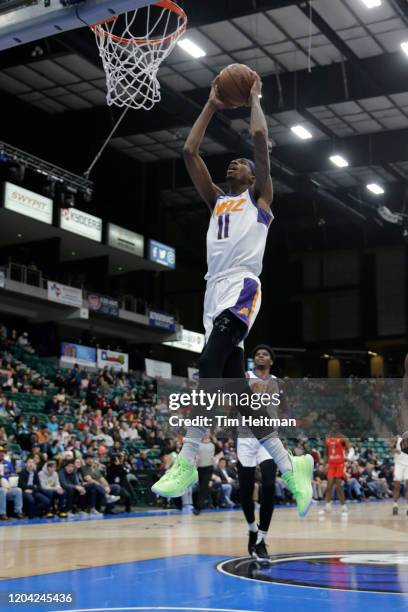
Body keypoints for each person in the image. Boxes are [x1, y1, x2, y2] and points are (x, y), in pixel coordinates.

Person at [151, 73, 313, 517]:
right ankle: (291, 463)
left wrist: (254, 97)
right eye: (233, 163)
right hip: (212, 292)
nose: (234, 165)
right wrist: (210, 105)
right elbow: (189, 152)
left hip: (242, 285)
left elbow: (259, 135)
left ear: (255, 175)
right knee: (240, 397)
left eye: (241, 163)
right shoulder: (218, 201)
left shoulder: (260, 200)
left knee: (206, 364)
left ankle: (185, 459)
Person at [237, 345, 278, 559]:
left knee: (269, 485)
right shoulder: (244, 377)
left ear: (271, 361)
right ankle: (252, 529)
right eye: (257, 354)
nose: (261, 356)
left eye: (265, 354)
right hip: (245, 438)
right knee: (245, 492)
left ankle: (262, 538)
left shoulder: (277, 383)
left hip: (268, 439)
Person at [318, 427, 349, 516]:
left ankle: (344, 507)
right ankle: (327, 507)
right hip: (331, 465)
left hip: (340, 464)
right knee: (329, 485)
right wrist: (324, 464)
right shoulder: (327, 439)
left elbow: (349, 448)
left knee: (338, 486)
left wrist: (346, 456)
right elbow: (325, 453)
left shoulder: (342, 438)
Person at [390, 434, 408, 515]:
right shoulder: (398, 439)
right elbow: (391, 449)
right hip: (399, 465)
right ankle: (395, 505)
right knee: (396, 486)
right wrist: (394, 449)